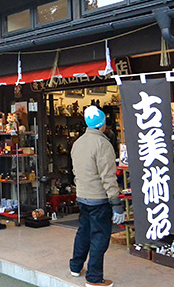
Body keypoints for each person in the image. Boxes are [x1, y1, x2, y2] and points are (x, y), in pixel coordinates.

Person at [69, 106, 123, 287]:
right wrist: (116, 202)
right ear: (102, 124)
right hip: (99, 199)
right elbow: (108, 176)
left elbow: (75, 171)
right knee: (99, 236)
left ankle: (75, 267)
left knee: (83, 232)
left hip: (82, 195)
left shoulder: (78, 143)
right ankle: (94, 278)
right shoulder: (103, 144)